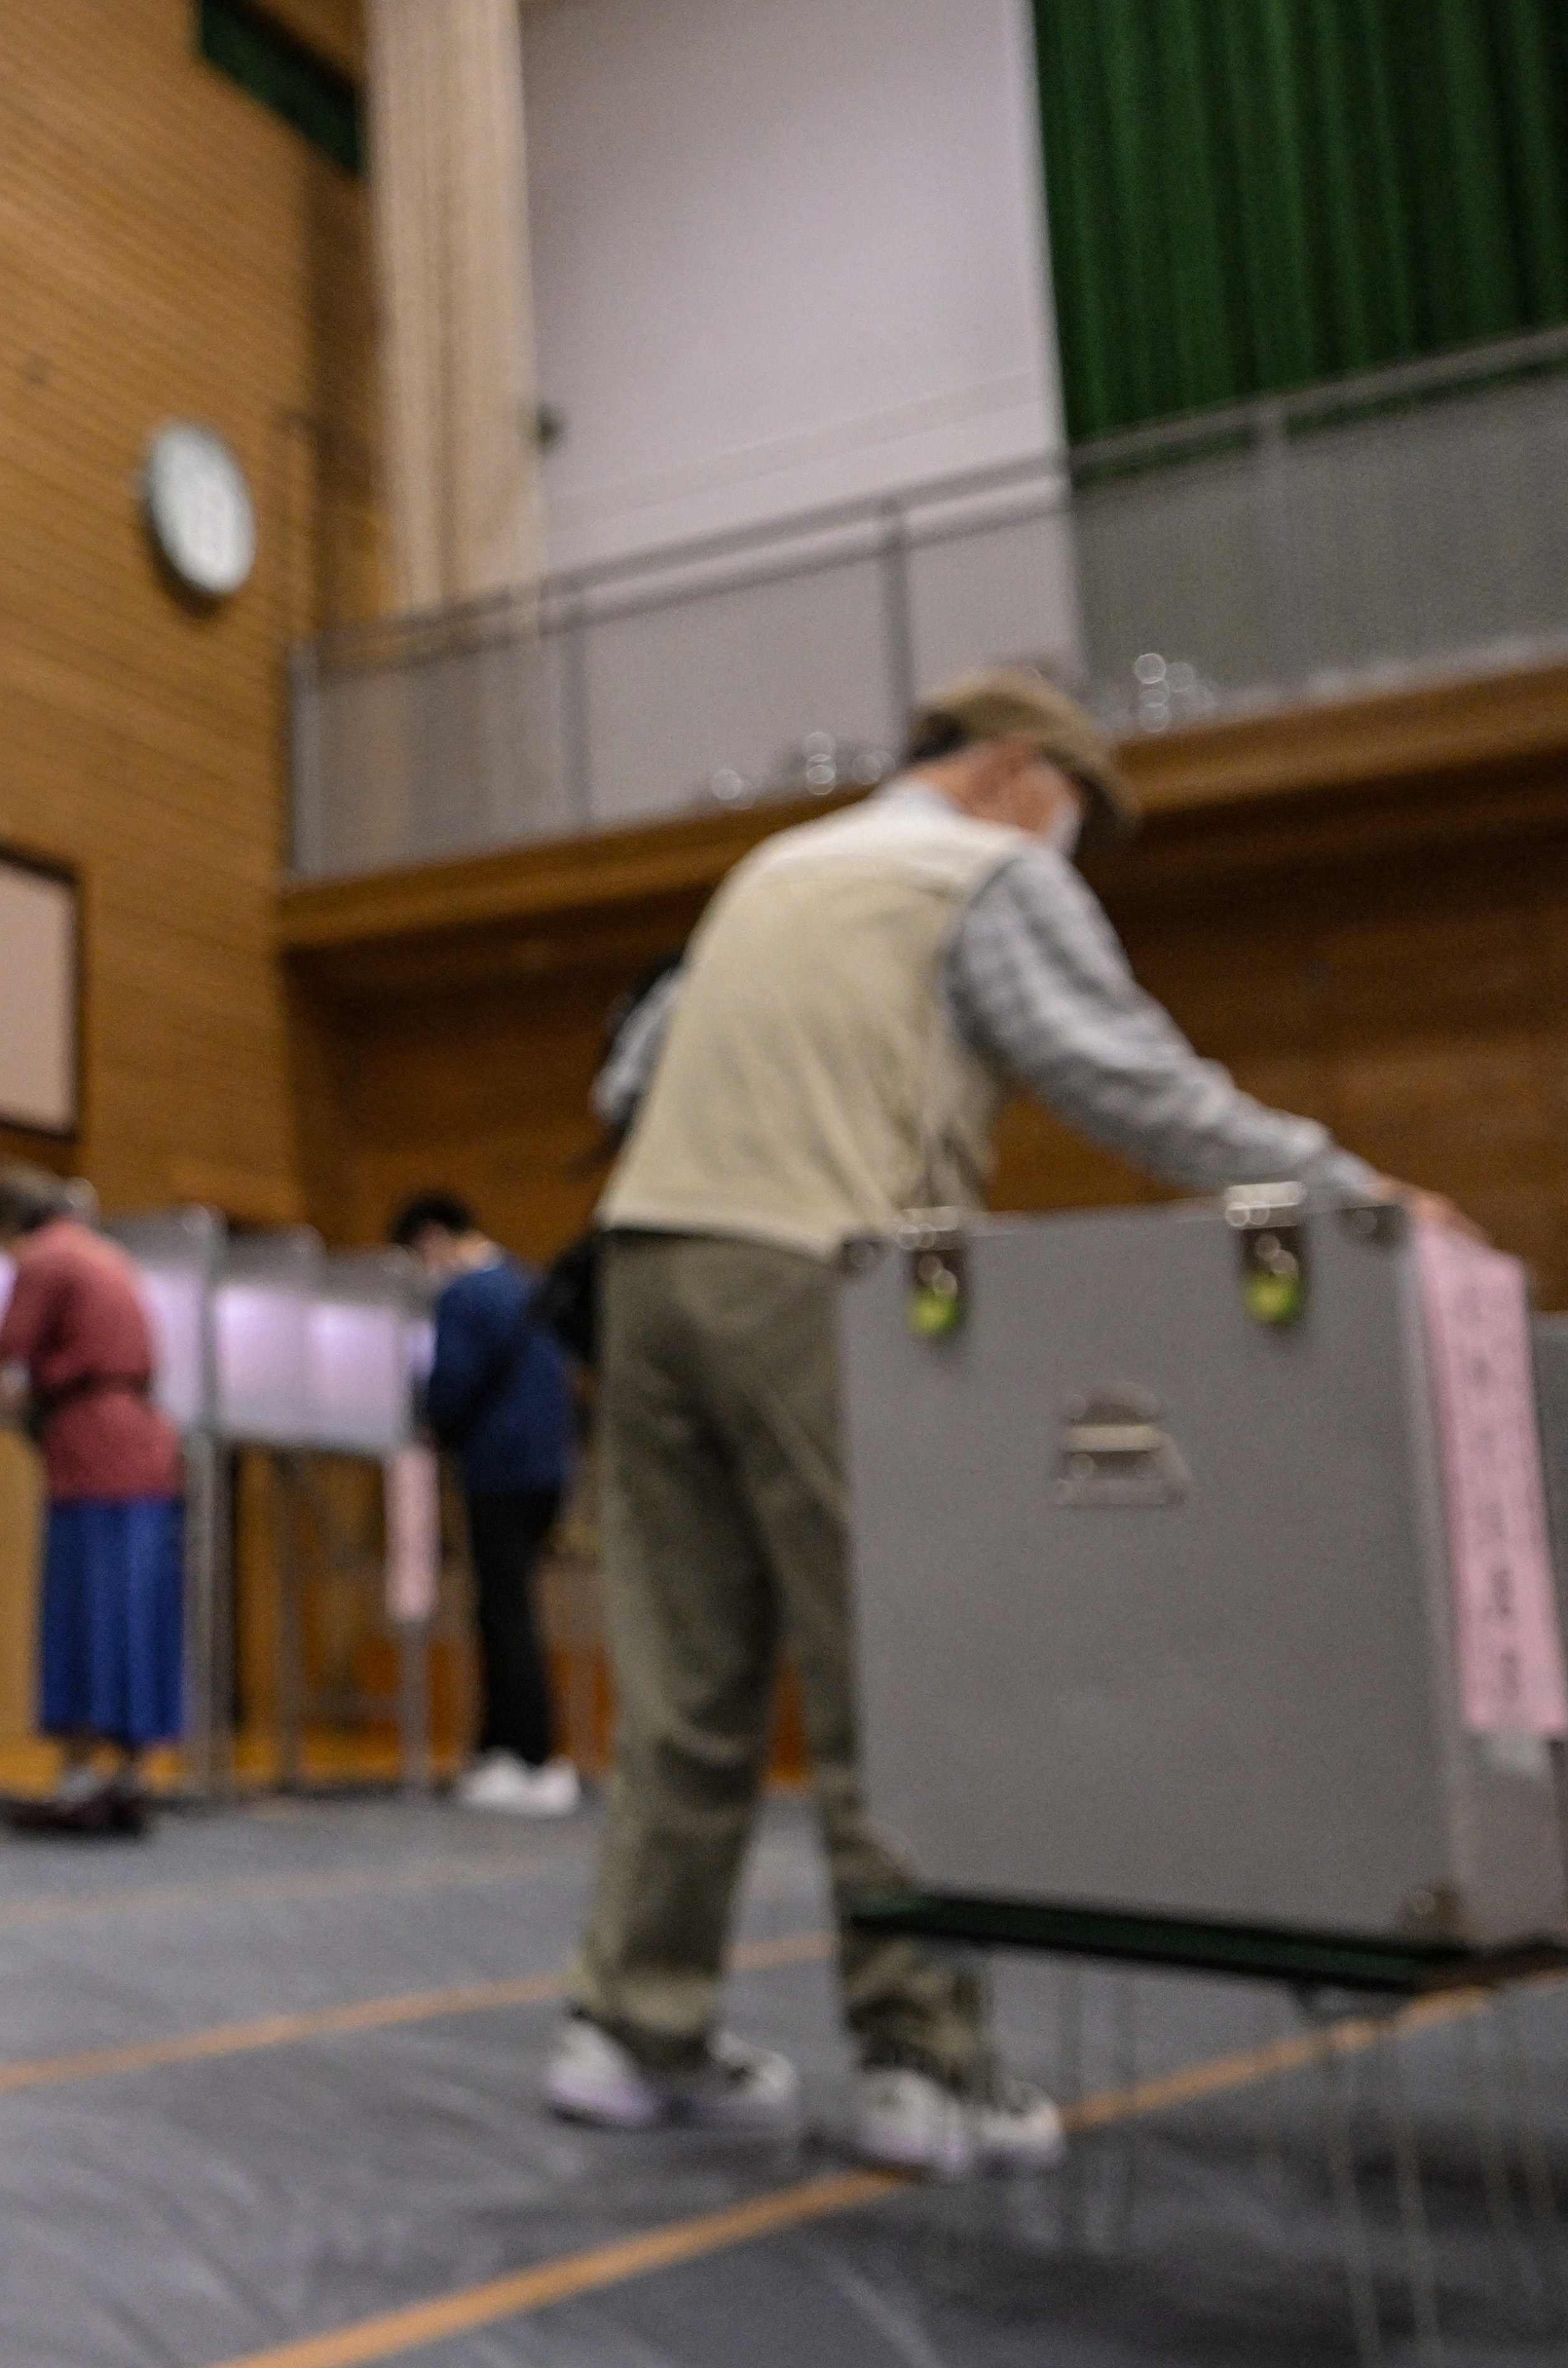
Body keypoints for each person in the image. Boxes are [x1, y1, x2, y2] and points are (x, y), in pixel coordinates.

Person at [556, 664, 1452, 2182]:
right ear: (1021, 772)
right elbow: (1124, 1077)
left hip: (644, 1268)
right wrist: (1341, 1195)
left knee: (687, 1691)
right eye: (1071, 827)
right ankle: (925, 2063)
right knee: (897, 1681)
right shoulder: (978, 868)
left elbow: (627, 1073)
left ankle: (631, 2033)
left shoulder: (776, 865)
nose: (1068, 865)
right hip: (816, 1271)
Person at [0, 1166, 187, 1837]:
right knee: (138, 1613)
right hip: (146, 1445)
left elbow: (4, 1356)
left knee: (85, 1611)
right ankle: (129, 1775)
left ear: (6, 1225)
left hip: (91, 1452)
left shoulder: (43, 1259)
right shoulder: (105, 1252)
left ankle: (79, 1777)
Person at [392, 1190, 577, 1820]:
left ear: (432, 1236)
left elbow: (452, 1383)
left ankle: (527, 1755)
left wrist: (427, 1421)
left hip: (498, 1470)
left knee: (504, 1613)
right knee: (513, 1608)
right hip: (549, 1469)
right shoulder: (526, 1281)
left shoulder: (466, 1293)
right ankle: (512, 1750)